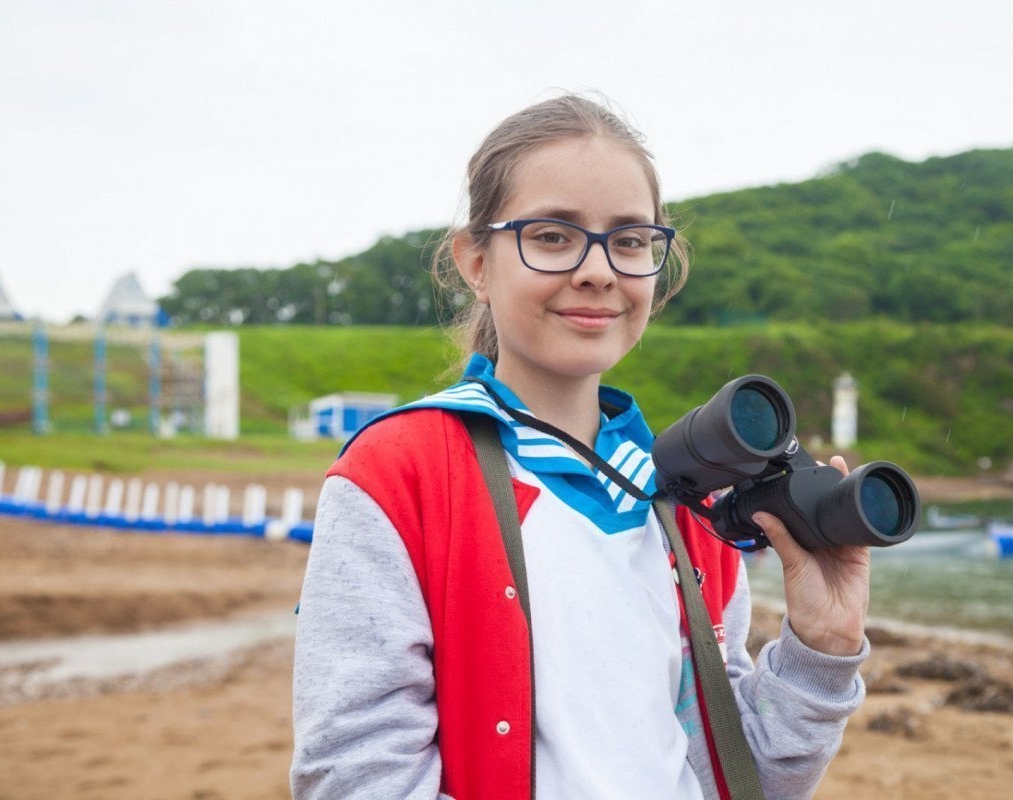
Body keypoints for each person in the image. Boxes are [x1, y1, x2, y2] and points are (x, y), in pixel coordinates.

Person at [290, 93, 871, 800]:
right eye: (554, 235)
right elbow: (355, 774)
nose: (599, 270)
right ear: (475, 261)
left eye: (629, 241)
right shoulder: (397, 475)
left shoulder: (688, 499)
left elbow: (739, 775)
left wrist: (820, 650)